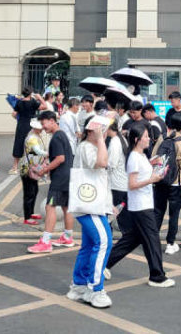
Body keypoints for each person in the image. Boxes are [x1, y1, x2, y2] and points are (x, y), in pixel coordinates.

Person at [105, 124, 175, 288]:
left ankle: (103, 264)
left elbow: (142, 172)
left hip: (144, 203)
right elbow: (132, 184)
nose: (149, 139)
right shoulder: (134, 158)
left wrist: (154, 165)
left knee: (131, 239)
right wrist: (152, 179)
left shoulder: (141, 155)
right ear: (137, 139)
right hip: (140, 206)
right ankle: (157, 276)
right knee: (152, 240)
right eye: (145, 136)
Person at [66, 116, 114, 308]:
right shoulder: (87, 147)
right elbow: (101, 163)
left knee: (89, 245)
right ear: (90, 130)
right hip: (89, 205)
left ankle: (79, 286)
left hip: (94, 204)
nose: (104, 131)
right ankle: (95, 289)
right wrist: (101, 139)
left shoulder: (91, 146)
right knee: (103, 242)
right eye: (100, 128)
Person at [28, 111, 75, 253]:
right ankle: (67, 237)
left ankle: (46, 241)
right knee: (66, 207)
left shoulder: (56, 137)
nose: (43, 127)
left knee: (50, 206)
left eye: (44, 123)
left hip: (60, 178)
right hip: (67, 176)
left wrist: (44, 170)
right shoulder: (61, 135)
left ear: (52, 120)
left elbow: (60, 158)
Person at [153, 111, 181, 255]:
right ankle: (170, 243)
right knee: (174, 214)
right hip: (176, 183)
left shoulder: (162, 137)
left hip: (160, 180)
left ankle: (152, 241)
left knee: (158, 211)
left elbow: (154, 156)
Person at [10, 87, 46, 175]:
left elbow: (14, 114)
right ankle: (33, 166)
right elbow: (45, 106)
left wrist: (18, 118)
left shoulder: (19, 102)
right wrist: (40, 98)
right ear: (30, 94)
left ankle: (14, 167)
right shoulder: (33, 102)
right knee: (33, 144)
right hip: (31, 125)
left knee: (19, 144)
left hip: (21, 125)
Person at [21, 119, 48, 225]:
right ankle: (27, 217)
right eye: (40, 128)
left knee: (34, 190)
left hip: (32, 167)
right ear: (35, 128)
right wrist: (48, 153)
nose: (42, 129)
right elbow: (37, 151)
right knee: (29, 192)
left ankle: (31, 213)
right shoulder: (32, 138)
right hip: (28, 168)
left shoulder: (35, 135)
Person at [106, 121, 129, 233]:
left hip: (116, 184)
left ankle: (109, 237)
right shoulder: (121, 139)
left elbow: (111, 164)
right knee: (121, 216)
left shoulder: (115, 142)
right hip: (122, 182)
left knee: (112, 214)